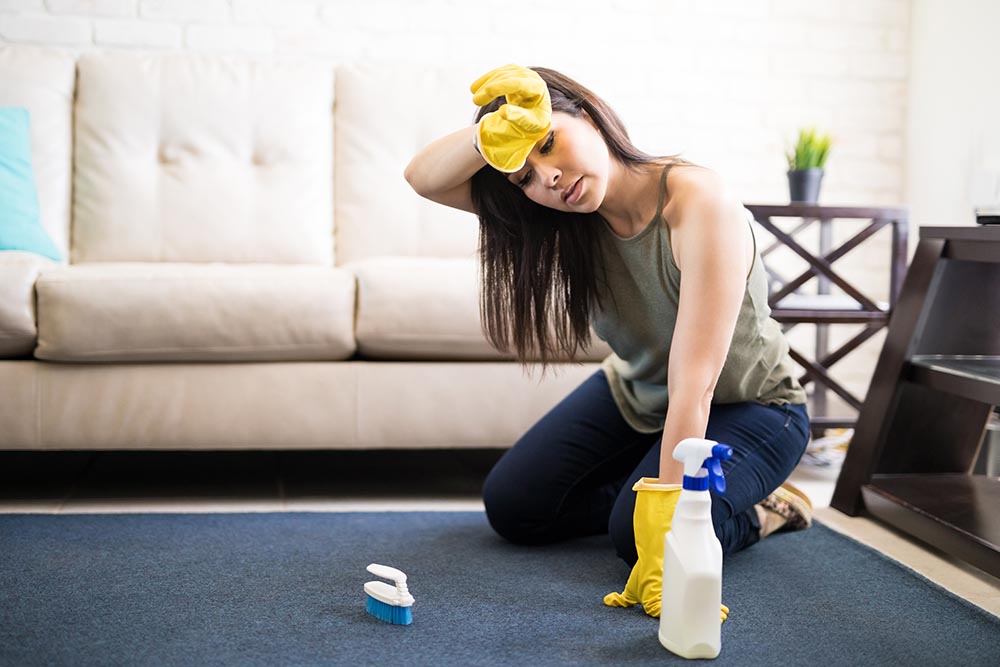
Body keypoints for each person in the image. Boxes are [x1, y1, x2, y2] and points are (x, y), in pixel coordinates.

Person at [404, 64, 813, 569]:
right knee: (514, 506)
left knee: (643, 539)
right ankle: (639, 499)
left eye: (547, 142)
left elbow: (696, 386)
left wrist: (662, 518)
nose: (548, 177)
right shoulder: (559, 221)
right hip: (641, 394)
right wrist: (488, 134)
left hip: (752, 407)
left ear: (590, 116)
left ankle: (762, 512)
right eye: (525, 177)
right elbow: (423, 179)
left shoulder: (698, 201)